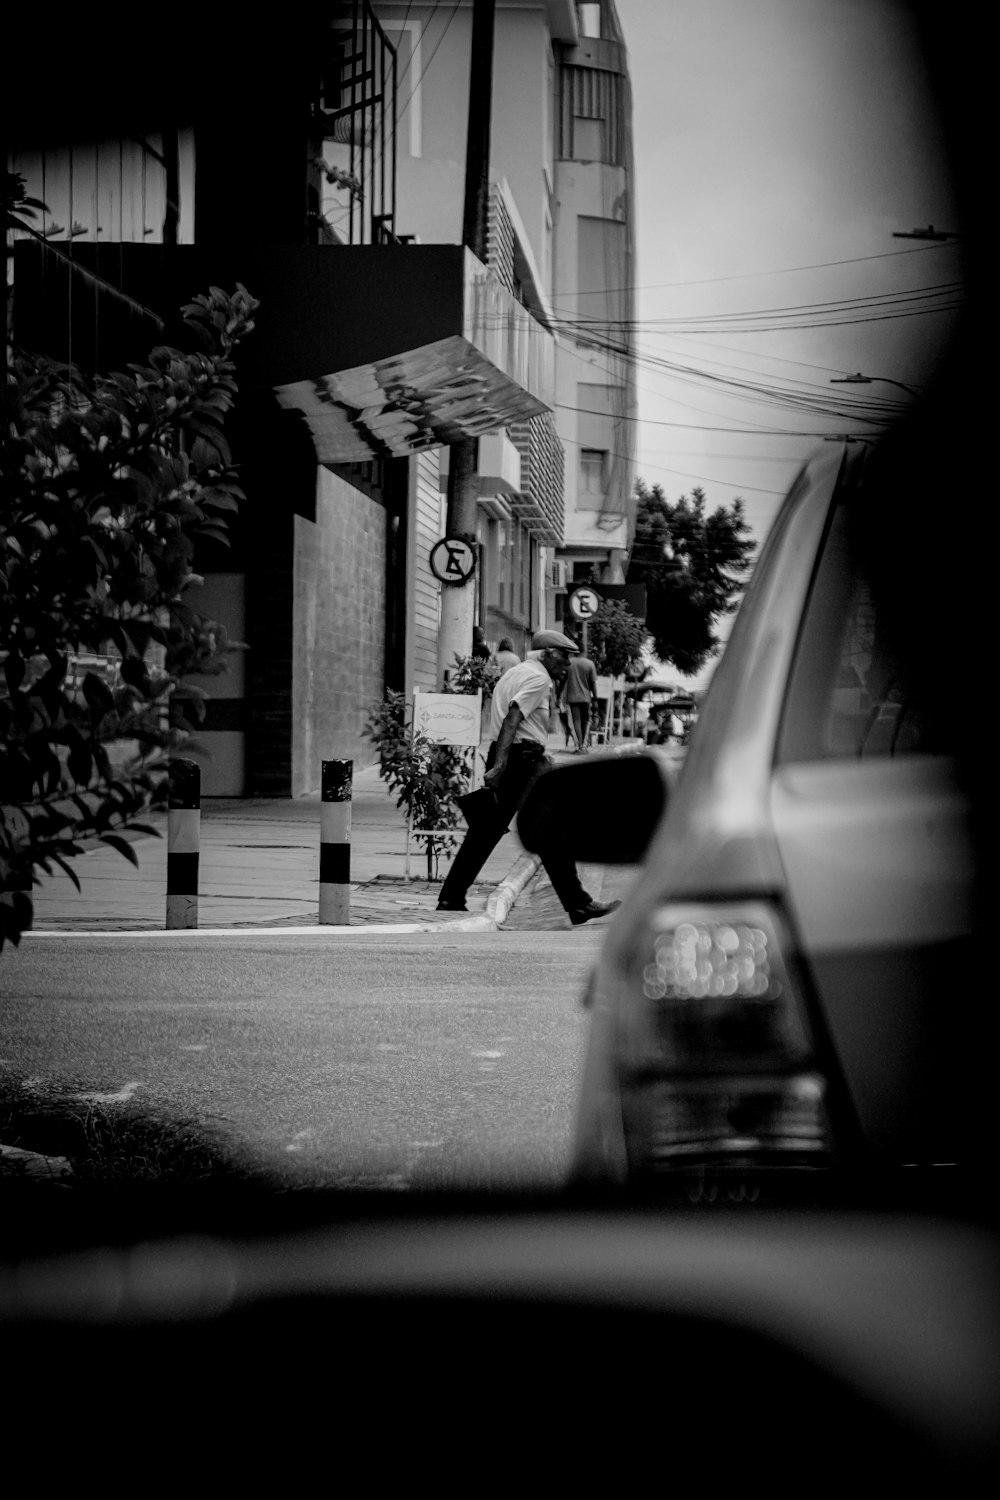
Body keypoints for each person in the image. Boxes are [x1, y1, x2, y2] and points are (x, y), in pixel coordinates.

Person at [436, 630, 621, 927]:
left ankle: (451, 897)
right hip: (522, 760)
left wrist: (500, 761)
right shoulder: (538, 678)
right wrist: (500, 766)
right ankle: (579, 904)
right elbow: (513, 718)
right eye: (564, 656)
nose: (568, 664)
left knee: (486, 830)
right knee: (553, 827)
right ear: (547, 653)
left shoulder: (514, 674)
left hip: (510, 755)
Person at [563, 648, 599, 752]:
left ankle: (579, 745)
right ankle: (584, 745)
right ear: (584, 651)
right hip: (586, 697)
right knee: (586, 720)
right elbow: (593, 683)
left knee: (576, 721)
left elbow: (563, 679)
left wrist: (559, 695)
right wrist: (595, 698)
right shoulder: (589, 664)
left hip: (572, 697)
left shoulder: (569, 663)